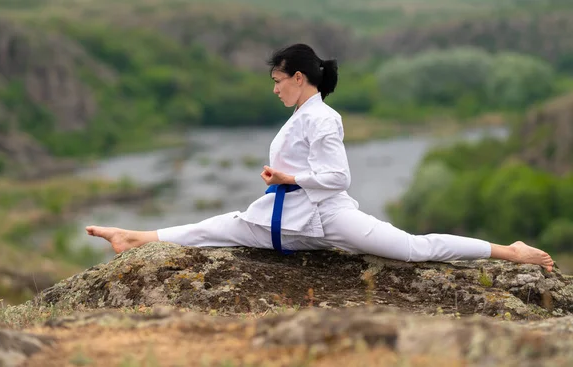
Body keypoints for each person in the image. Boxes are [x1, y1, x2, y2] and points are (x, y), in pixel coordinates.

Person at [86, 44, 554, 272]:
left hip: (327, 218)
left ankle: (508, 251)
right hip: (286, 217)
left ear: (299, 78)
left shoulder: (323, 119)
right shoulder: (301, 116)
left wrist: (289, 176)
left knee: (414, 250)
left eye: (278, 80)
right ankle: (134, 236)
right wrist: (285, 181)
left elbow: (338, 177)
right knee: (219, 226)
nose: (274, 88)